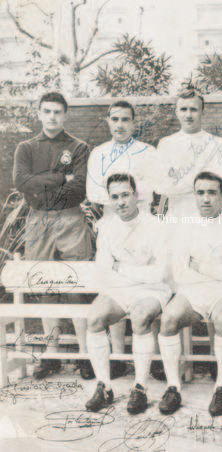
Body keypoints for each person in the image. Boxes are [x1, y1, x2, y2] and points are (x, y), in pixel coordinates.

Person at [13, 92, 93, 380]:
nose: (52, 117)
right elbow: (21, 182)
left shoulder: (79, 147)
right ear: (38, 113)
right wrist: (60, 177)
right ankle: (52, 355)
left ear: (66, 114)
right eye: (47, 111)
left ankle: (86, 355)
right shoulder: (26, 147)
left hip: (71, 218)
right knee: (45, 286)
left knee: (77, 285)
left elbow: (80, 189)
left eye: (57, 112)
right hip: (38, 220)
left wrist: (41, 184)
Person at [157, 171, 222, 415]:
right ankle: (173, 387)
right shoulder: (185, 226)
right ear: (194, 196)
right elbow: (180, 273)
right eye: (200, 193)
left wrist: (200, 265)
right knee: (168, 319)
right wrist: (219, 268)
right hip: (193, 290)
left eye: (212, 192)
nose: (206, 199)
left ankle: (221, 387)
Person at [85, 173, 171, 414]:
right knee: (94, 319)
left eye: (125, 195)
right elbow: (103, 270)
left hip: (152, 290)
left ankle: (140, 387)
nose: (120, 202)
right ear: (110, 200)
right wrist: (131, 272)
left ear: (136, 195)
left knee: (141, 317)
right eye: (115, 197)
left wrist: (121, 267)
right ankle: (104, 387)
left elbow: (159, 273)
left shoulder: (156, 226)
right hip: (119, 289)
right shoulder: (107, 227)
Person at [87, 100, 159, 379]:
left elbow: (151, 188)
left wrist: (129, 193)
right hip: (110, 221)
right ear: (107, 120)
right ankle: (116, 356)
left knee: (144, 288)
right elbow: (94, 191)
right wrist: (119, 195)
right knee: (114, 284)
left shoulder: (147, 152)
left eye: (125, 119)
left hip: (143, 223)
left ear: (134, 122)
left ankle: (148, 361)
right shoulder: (99, 153)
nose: (120, 125)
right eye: (115, 119)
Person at [154, 88, 222, 217]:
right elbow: (161, 187)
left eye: (193, 109)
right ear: (176, 112)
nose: (188, 115)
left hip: (207, 215)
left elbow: (215, 184)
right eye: (183, 109)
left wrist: (177, 178)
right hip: (176, 215)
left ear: (202, 112)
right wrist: (198, 175)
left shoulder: (217, 143)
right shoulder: (165, 144)